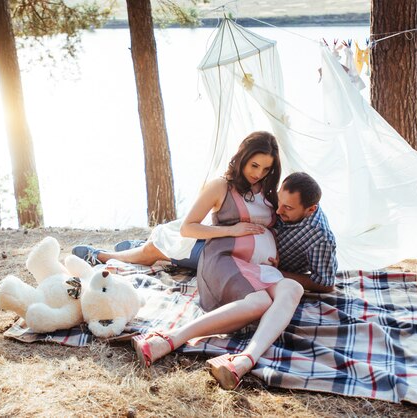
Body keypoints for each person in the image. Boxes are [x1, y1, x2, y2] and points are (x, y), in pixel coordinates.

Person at [128, 131, 306, 390]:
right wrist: (231, 230)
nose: (258, 173)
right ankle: (169, 339)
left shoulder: (268, 192)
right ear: (242, 157)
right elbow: (188, 228)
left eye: (266, 168)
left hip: (258, 268)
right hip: (223, 259)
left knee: (294, 288)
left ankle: (244, 360)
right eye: (254, 165)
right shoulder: (221, 186)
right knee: (260, 301)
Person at [73, 171, 337, 293]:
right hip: (232, 243)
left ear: (310, 209)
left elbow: (325, 283)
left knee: (158, 250)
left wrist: (279, 274)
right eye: (279, 204)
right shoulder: (282, 203)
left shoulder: (320, 237)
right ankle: (142, 247)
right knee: (178, 233)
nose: (278, 213)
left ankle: (103, 256)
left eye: (288, 209)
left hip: (245, 262)